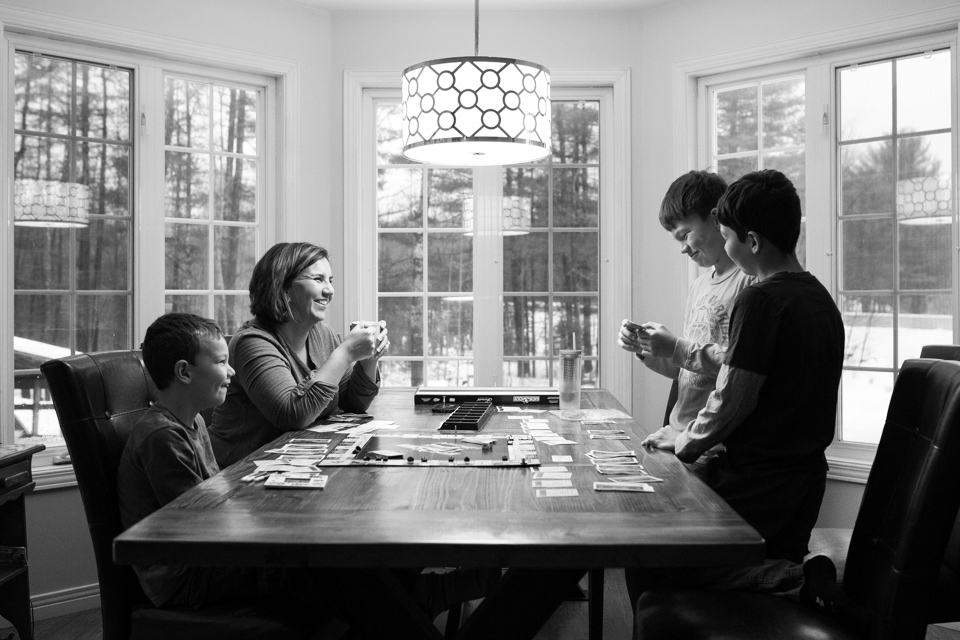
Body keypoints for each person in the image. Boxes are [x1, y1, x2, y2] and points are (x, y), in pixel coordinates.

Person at [631, 170, 859, 625]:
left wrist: (686, 443)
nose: (726, 245)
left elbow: (733, 398)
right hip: (802, 481)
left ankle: (791, 579)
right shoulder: (819, 298)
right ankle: (793, 576)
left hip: (757, 482)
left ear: (751, 241)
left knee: (651, 559)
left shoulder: (759, 301)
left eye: (729, 235)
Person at [117, 312, 336, 614]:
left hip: (207, 558)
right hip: (187, 577)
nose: (232, 371)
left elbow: (214, 497)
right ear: (184, 372)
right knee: (316, 569)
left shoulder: (192, 420)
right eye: (221, 362)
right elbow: (202, 525)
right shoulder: (162, 436)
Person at [209, 242, 388, 467]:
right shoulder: (252, 342)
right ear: (283, 287)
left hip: (294, 464)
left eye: (330, 281)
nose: (330, 290)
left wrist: (369, 360)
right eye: (318, 279)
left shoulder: (323, 334)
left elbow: (353, 403)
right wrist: (346, 353)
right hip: (240, 474)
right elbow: (292, 414)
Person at [618, 170, 755, 451]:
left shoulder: (750, 282)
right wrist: (645, 347)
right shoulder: (698, 286)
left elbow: (739, 370)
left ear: (717, 218)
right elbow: (690, 371)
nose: (683, 249)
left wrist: (676, 346)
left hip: (709, 444)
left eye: (686, 235)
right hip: (674, 434)